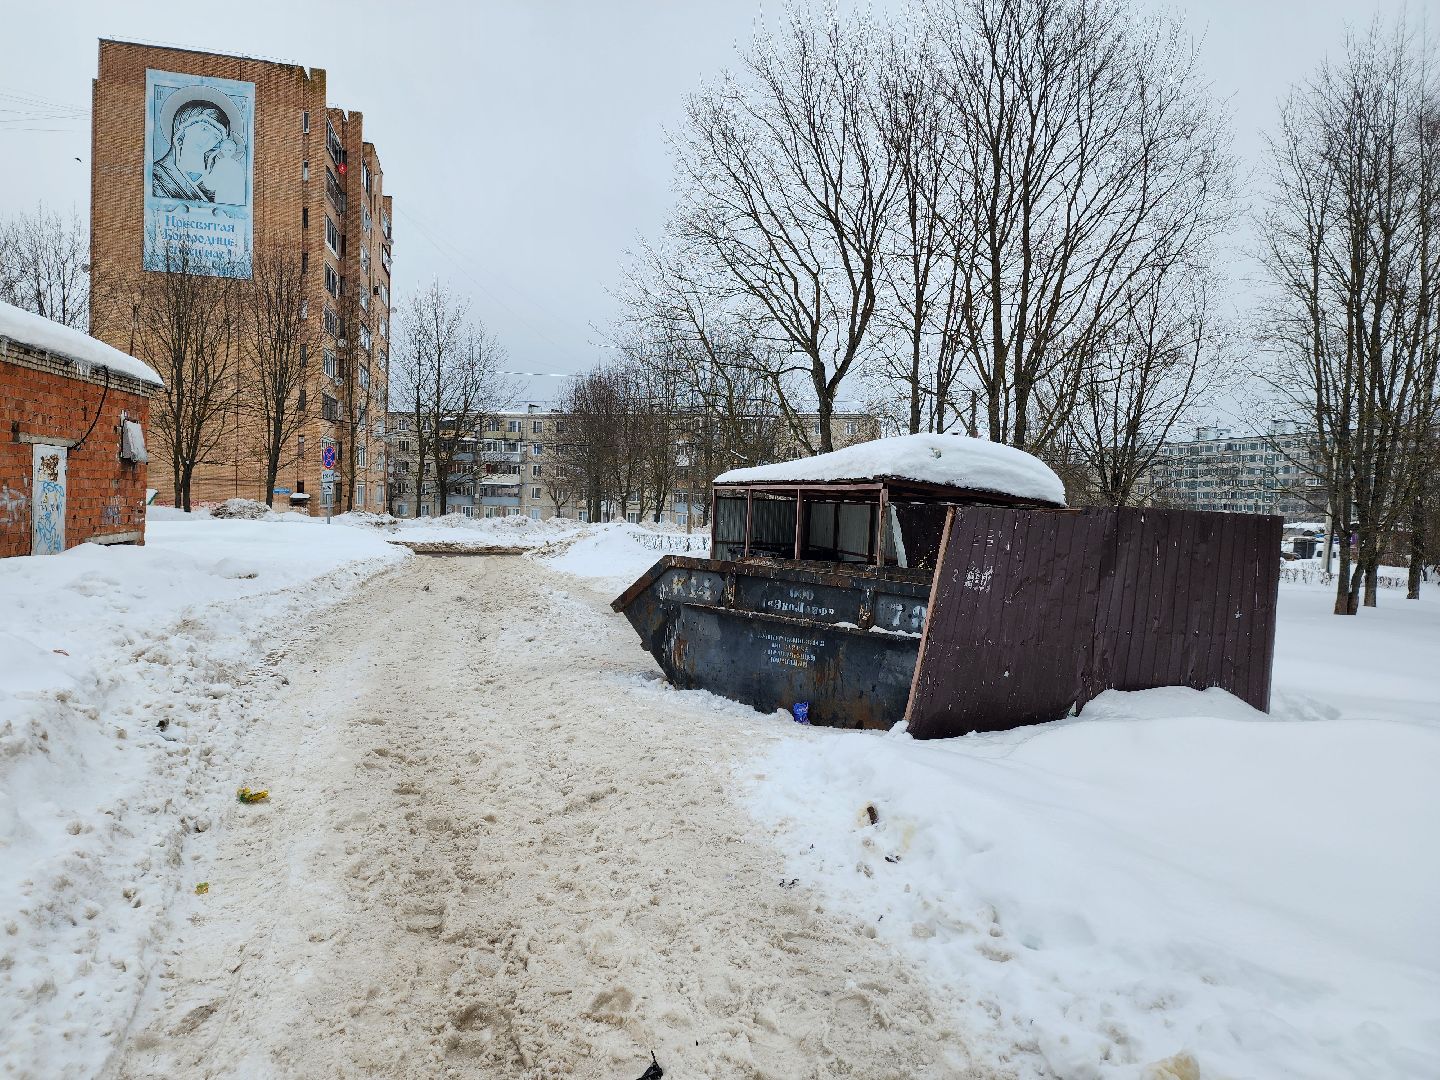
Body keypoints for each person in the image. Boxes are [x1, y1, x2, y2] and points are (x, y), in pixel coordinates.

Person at [151, 99, 245, 204]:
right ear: (183, 125)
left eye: (216, 137)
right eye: (204, 129)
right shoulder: (156, 175)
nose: (206, 140)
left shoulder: (216, 183)